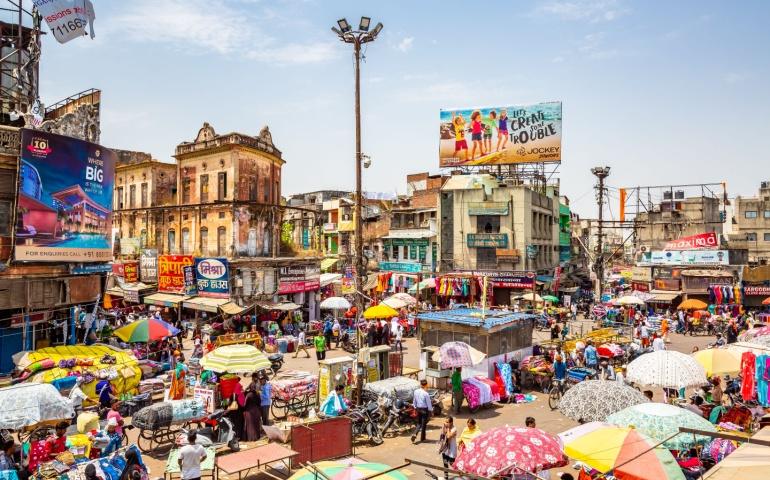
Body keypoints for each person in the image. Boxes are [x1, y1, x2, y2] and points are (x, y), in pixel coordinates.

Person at [242, 375, 262, 441]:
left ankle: (251, 438)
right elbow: (259, 402)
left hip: (249, 412)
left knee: (250, 426)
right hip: (256, 411)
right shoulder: (257, 394)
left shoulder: (248, 395)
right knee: (256, 425)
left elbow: (244, 404)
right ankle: (257, 437)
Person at [411, 379, 431, 444]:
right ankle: (423, 438)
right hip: (424, 410)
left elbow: (414, 401)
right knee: (424, 425)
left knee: (419, 424)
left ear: (420, 384)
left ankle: (415, 433)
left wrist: (415, 407)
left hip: (418, 409)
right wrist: (431, 411)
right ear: (426, 385)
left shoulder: (416, 391)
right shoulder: (426, 394)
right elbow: (429, 404)